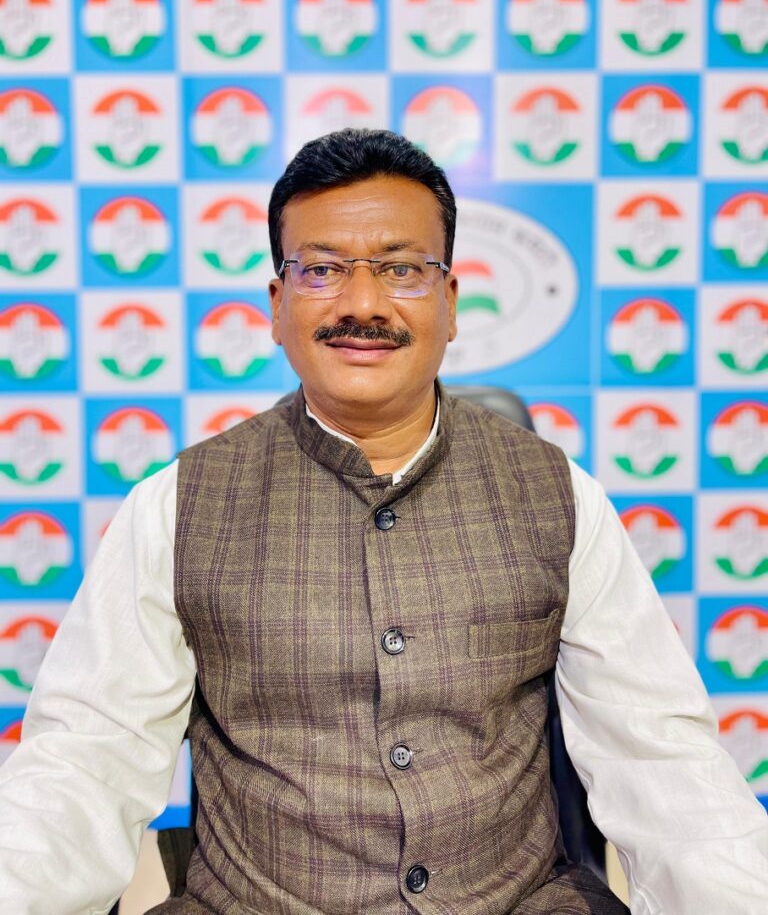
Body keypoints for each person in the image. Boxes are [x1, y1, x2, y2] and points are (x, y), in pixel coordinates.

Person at [1, 129, 767, 915]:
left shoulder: (560, 496)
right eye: (322, 269)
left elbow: (663, 759)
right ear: (277, 305)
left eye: (401, 269)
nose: (362, 305)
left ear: (450, 301)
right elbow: (83, 763)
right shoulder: (176, 506)